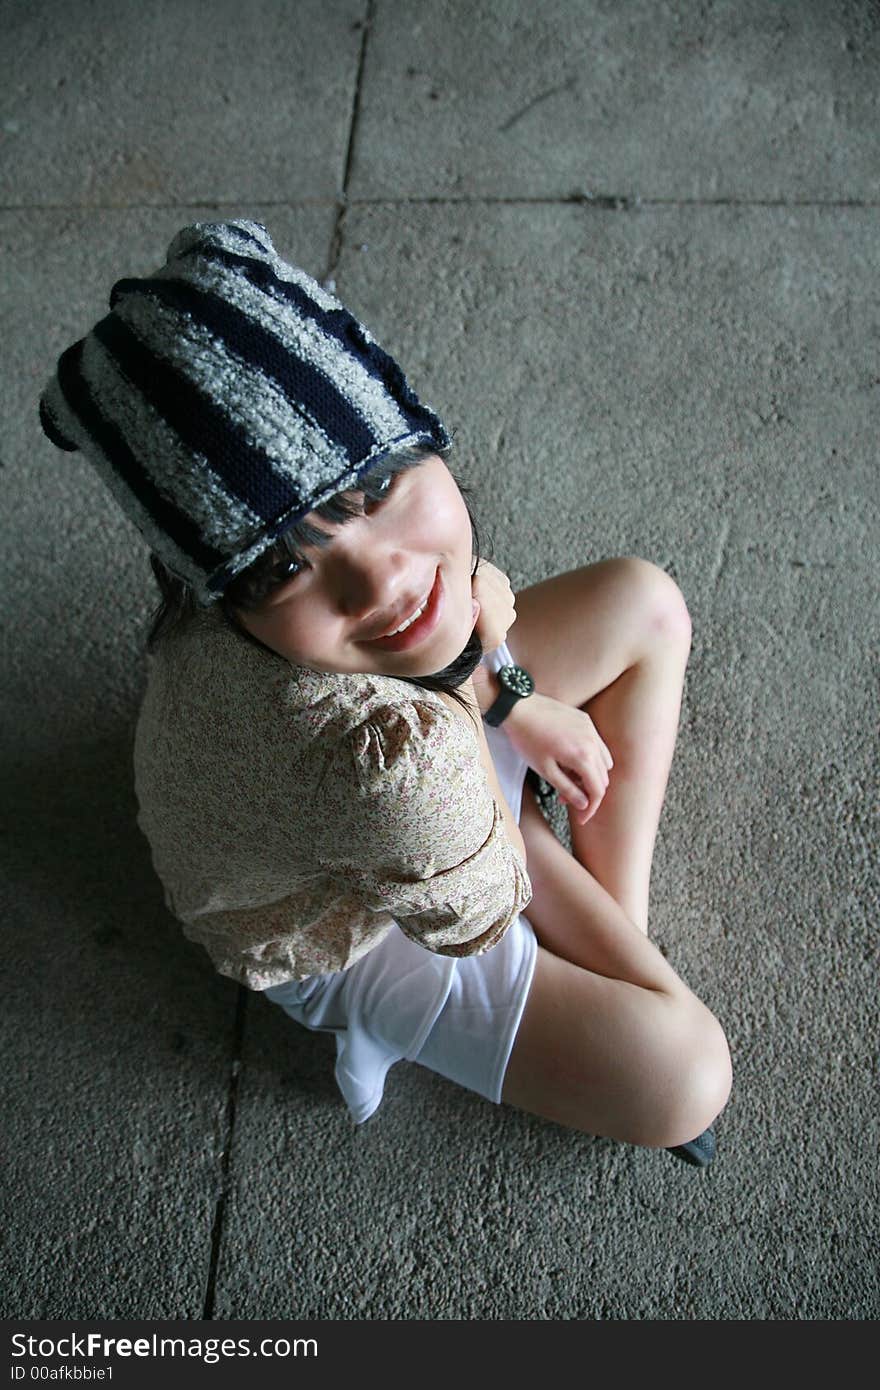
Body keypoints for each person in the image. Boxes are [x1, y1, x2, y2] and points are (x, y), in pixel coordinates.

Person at [39, 219, 731, 1168]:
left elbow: (467, 600)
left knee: (643, 601)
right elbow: (483, 897)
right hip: (350, 910)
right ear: (224, 590)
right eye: (282, 564)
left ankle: (615, 948)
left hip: (403, 786)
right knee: (685, 1075)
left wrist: (512, 701)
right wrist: (513, 807)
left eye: (371, 486)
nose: (386, 585)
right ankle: (598, 975)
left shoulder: (333, 609)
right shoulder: (382, 770)